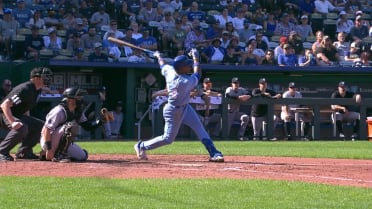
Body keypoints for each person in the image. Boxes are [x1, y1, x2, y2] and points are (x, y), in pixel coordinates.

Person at [134, 49, 224, 162]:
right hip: (173, 111)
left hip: (185, 108)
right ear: (181, 68)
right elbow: (198, 74)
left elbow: (162, 65)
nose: (189, 66)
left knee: (200, 129)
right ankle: (141, 145)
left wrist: (158, 57)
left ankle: (214, 153)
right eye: (187, 65)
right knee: (168, 139)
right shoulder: (184, 82)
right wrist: (196, 58)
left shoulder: (170, 71)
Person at [0, 67, 53, 161]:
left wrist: (29, 123)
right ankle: (2, 152)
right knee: (21, 127)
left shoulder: (37, 90)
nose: (47, 79)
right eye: (45, 77)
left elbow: (26, 107)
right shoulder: (25, 88)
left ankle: (24, 152)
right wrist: (13, 122)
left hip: (16, 114)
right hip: (3, 113)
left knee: (40, 125)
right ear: (36, 78)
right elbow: (5, 105)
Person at [39, 87, 101, 162]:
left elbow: (87, 126)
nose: (81, 98)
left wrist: (100, 122)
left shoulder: (77, 111)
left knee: (83, 156)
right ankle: (59, 155)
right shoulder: (59, 111)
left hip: (62, 141)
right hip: (48, 140)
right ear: (70, 99)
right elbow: (47, 129)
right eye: (78, 96)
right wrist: (49, 149)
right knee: (71, 125)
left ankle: (54, 153)